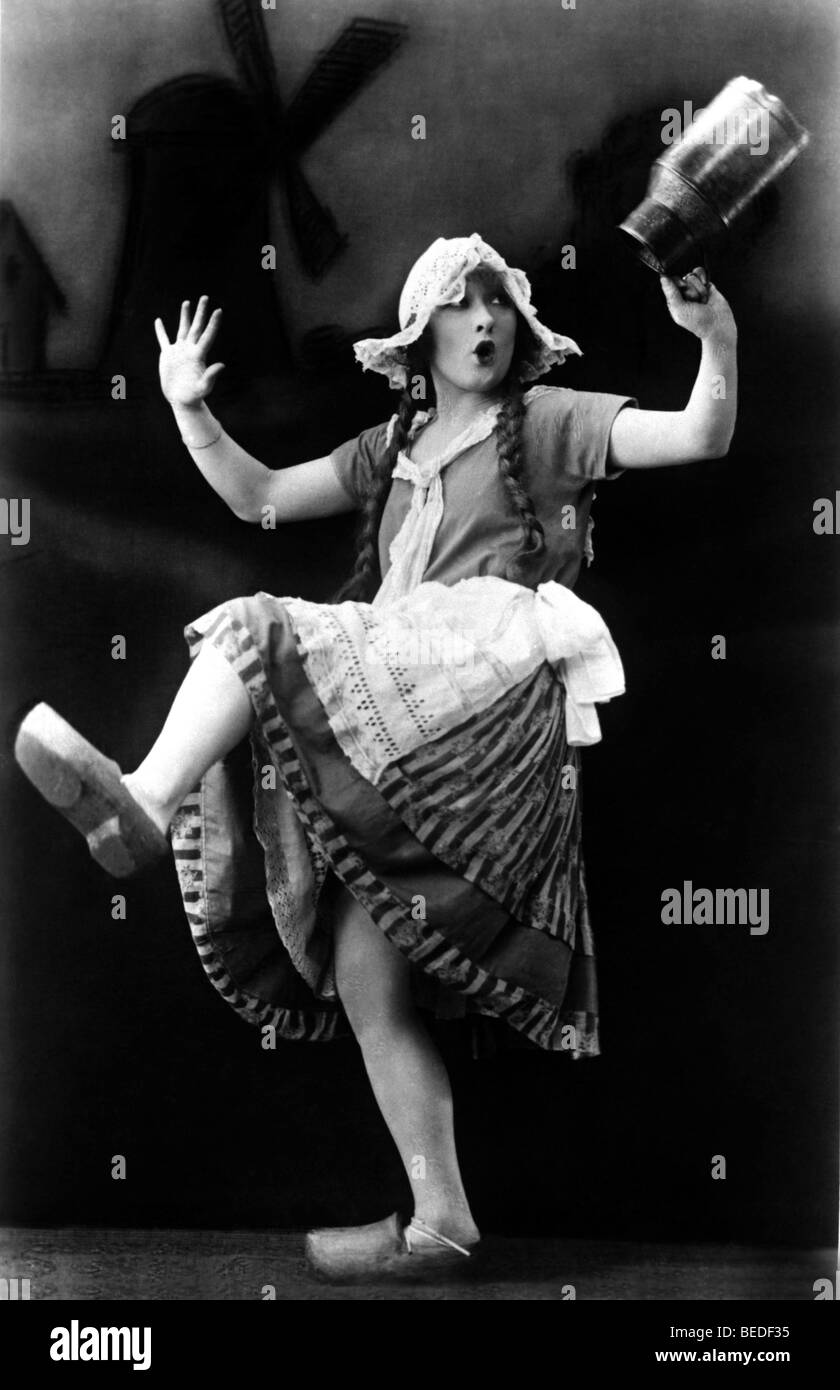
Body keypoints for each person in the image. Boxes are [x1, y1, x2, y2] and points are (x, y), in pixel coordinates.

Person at [14, 233, 737, 1283]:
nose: (484, 321)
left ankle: (145, 798)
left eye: (497, 303)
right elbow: (257, 496)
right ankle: (442, 1218)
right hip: (413, 719)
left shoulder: (547, 419)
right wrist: (187, 405)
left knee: (249, 630)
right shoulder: (387, 448)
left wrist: (711, 333)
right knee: (367, 972)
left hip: (486, 705)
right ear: (421, 334)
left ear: (520, 327)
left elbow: (700, 433)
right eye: (461, 304)